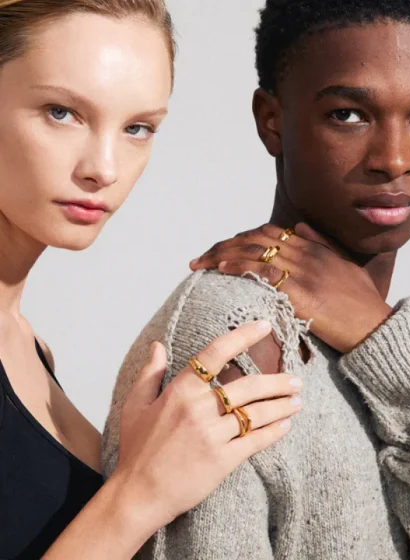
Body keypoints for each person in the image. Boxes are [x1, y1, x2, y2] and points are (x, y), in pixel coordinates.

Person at [103, 0, 410, 558]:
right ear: (271, 120)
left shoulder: (398, 341)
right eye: (348, 114)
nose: (394, 159)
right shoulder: (239, 338)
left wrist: (384, 345)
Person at [0, 1, 303, 558]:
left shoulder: (26, 343)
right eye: (61, 112)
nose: (104, 168)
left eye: (137, 128)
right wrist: (140, 491)